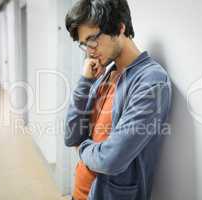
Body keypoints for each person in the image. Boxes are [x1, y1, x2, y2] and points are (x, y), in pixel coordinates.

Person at [64, 0, 172, 199]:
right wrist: (85, 82)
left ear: (120, 27)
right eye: (84, 44)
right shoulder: (104, 74)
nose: (89, 51)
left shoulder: (151, 81)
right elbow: (71, 135)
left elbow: (111, 160)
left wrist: (83, 148)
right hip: (80, 193)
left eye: (92, 39)